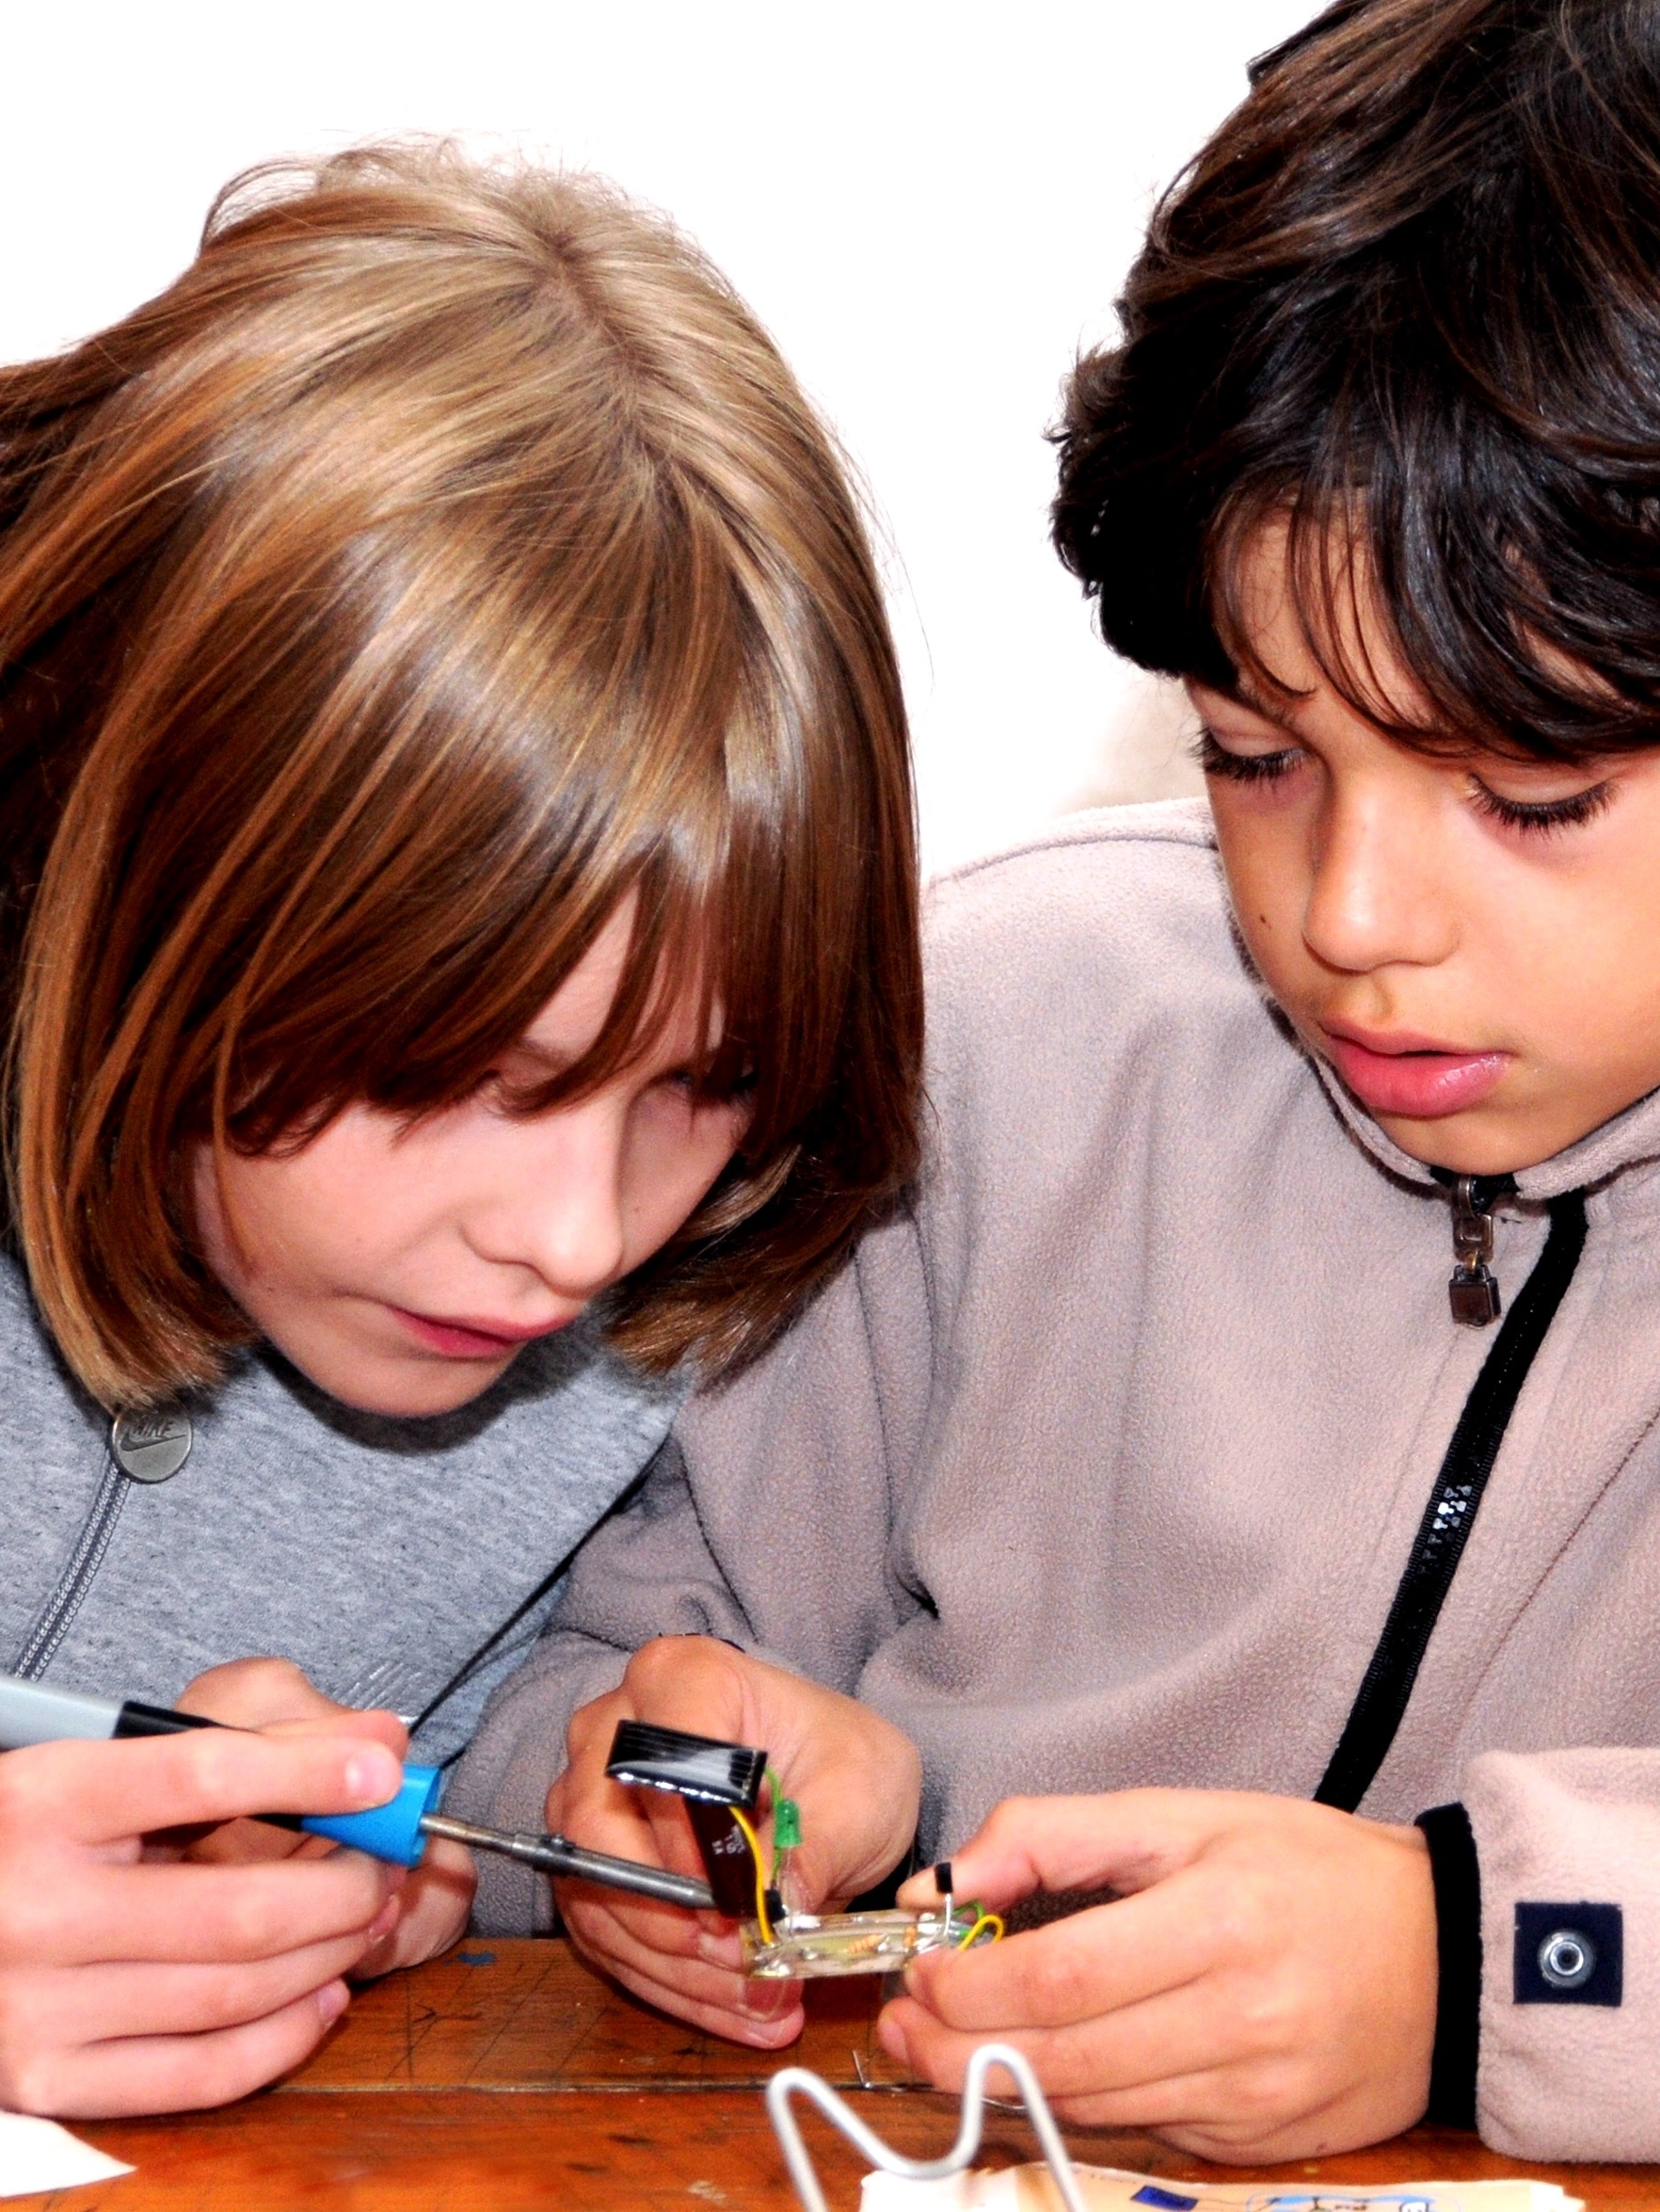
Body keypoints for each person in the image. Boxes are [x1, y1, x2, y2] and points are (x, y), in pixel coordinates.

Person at [464, 0, 1660, 2168]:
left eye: (1528, 793)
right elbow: (567, 1680)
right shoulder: (998, 1035)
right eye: (1252, 753)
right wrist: (660, 1796)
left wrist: (1477, 1955)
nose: (1348, 912)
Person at [0, 144, 922, 2117]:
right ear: (134, 855)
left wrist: (522, 1825)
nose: (580, 1240)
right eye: (463, 1069)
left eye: (705, 1081)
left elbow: (482, 1756)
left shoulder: (649, 1297)